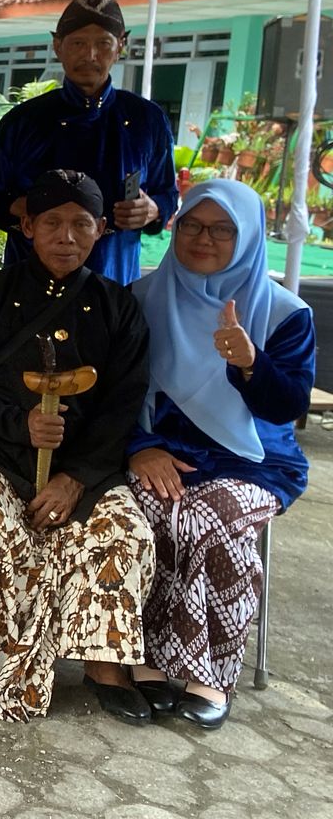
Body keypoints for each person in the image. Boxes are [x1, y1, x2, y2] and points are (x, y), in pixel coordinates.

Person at [0, 169, 155, 724]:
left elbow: (123, 402)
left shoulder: (117, 308)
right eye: (52, 222)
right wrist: (18, 424)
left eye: (81, 223)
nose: (66, 236)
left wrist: (75, 476)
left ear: (102, 229)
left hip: (84, 465)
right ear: (28, 226)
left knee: (126, 532)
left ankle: (105, 665)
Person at [127, 179, 313, 729]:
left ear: (249, 235)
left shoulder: (284, 313)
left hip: (254, 462)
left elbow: (288, 407)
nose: (203, 239)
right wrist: (140, 448)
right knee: (149, 510)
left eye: (222, 229)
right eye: (191, 224)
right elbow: (114, 396)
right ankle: (148, 655)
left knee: (212, 518)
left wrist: (252, 364)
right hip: (163, 452)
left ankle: (212, 673)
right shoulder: (141, 299)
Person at [0, 0, 177, 285]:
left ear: (121, 46)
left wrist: (153, 210)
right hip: (30, 283)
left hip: (113, 281)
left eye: (103, 44)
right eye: (78, 43)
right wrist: (28, 208)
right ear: (58, 46)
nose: (90, 55)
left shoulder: (147, 120)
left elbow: (167, 193)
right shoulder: (25, 120)